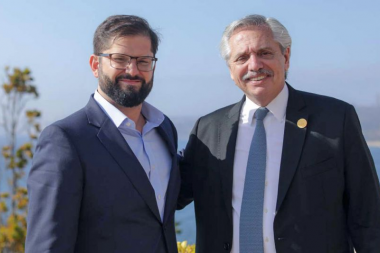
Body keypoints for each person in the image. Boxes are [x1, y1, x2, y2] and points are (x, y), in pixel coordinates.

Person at [178, 14, 380, 253]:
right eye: (242, 57)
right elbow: (170, 194)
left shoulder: (335, 119)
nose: (254, 65)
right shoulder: (209, 129)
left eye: (264, 53)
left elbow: (368, 216)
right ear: (231, 70)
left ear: (285, 57)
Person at [26, 15, 180, 253]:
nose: (133, 70)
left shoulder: (164, 128)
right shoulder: (65, 140)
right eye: (119, 59)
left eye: (144, 61)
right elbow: (48, 245)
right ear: (95, 65)